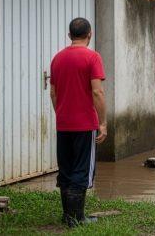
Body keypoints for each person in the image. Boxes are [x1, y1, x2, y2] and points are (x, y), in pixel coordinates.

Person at [50, 17, 107, 227]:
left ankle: (67, 216)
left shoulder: (57, 58)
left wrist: (62, 113)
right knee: (82, 169)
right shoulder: (92, 57)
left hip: (63, 124)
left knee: (66, 169)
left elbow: (53, 93)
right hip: (85, 125)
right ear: (89, 34)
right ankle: (77, 218)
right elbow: (97, 92)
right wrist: (103, 123)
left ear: (69, 35)